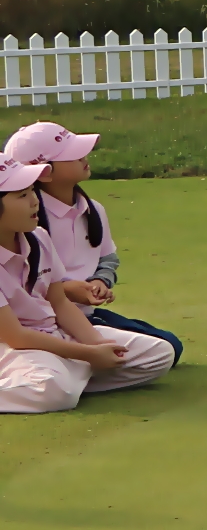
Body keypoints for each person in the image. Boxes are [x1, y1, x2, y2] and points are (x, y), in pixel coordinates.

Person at [0, 160, 175, 414]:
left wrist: (97, 344)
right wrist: (88, 354)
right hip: (14, 349)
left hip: (54, 336)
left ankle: (66, 378)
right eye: (22, 195)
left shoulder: (38, 237)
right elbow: (16, 336)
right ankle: (58, 380)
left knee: (159, 354)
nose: (35, 201)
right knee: (51, 391)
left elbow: (59, 303)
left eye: (31, 192)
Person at [3, 120, 182, 363]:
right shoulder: (28, 222)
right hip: (45, 320)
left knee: (169, 345)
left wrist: (100, 281)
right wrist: (70, 290)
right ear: (43, 171)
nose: (84, 157)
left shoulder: (92, 209)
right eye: (72, 155)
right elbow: (32, 287)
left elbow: (107, 258)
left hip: (80, 315)